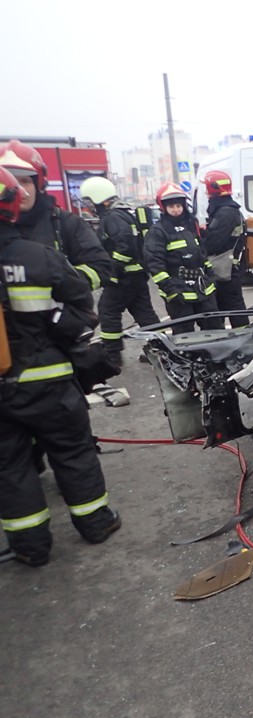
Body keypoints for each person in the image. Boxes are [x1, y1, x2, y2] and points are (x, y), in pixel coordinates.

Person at [0, 165, 122, 567]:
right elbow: (83, 312)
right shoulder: (38, 258)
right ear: (14, 204)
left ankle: (30, 547)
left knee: (11, 467)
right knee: (73, 452)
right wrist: (54, 321)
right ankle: (96, 524)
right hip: (49, 382)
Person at [0, 140, 111, 292]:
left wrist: (63, 280)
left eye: (25, 181)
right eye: (9, 182)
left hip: (57, 314)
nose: (18, 190)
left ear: (39, 185)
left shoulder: (66, 223)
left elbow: (101, 268)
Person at [79, 176, 161, 368]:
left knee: (108, 311)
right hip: (136, 275)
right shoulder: (123, 213)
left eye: (90, 201)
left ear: (99, 198)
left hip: (123, 277)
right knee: (145, 315)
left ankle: (112, 355)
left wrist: (111, 269)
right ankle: (161, 350)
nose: (89, 206)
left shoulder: (113, 217)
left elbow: (125, 245)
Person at [144, 183, 220, 333]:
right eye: (171, 206)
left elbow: (201, 253)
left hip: (203, 288)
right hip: (178, 292)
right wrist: (170, 291)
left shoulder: (191, 224)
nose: (176, 210)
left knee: (215, 328)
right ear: (163, 207)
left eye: (178, 205)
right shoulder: (158, 231)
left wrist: (211, 276)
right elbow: (155, 264)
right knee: (184, 334)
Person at [202, 171, 248, 327]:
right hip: (228, 269)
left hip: (226, 271)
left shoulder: (225, 213)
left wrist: (201, 241)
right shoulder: (228, 210)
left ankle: (240, 341)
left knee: (233, 309)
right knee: (230, 308)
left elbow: (213, 243)